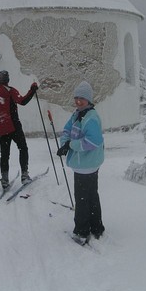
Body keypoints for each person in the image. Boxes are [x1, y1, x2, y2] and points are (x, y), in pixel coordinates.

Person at [57, 80, 105, 245]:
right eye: (76, 98)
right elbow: (67, 130)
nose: (78, 101)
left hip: (86, 165)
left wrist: (71, 144)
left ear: (89, 100)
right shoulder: (77, 114)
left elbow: (94, 141)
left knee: (83, 199)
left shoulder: (90, 117)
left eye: (81, 99)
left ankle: (82, 231)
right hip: (86, 164)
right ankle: (96, 227)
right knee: (91, 196)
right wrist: (64, 143)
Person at [0, 70, 38, 188]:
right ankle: (24, 175)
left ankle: (4, 180)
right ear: (7, 80)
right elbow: (23, 101)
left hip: (1, 128)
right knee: (23, 148)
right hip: (14, 126)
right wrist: (33, 90)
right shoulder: (10, 91)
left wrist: (0, 115)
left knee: (4, 154)